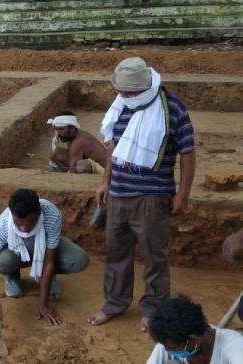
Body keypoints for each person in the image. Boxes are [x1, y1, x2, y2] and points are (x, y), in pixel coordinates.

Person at [87, 57, 197, 332]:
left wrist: (182, 194)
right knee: (116, 253)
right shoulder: (121, 105)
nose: (122, 95)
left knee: (154, 257)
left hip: (153, 197)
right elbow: (115, 148)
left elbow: (188, 153)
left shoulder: (171, 109)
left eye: (128, 92)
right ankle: (114, 303)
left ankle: (154, 310)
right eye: (121, 91)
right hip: (119, 194)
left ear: (142, 87)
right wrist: (105, 181)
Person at [0, 188, 90, 327]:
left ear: (38, 214)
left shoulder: (51, 214)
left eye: (29, 223)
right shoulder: (2, 225)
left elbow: (49, 261)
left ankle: (49, 278)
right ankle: (13, 277)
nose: (24, 228)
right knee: (4, 261)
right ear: (12, 214)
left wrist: (43, 304)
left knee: (79, 259)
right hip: (16, 253)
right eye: (18, 223)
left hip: (44, 249)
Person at [147, 295, 243, 364]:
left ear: (194, 339)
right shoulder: (169, 339)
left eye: (172, 348)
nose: (166, 350)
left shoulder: (235, 348)